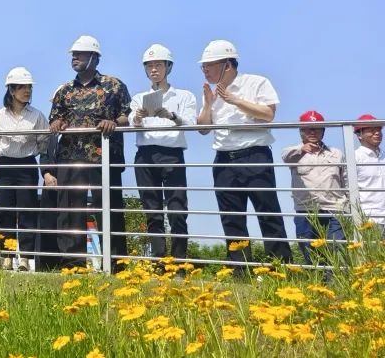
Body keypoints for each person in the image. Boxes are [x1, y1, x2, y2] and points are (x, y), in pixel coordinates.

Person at [197, 39, 293, 269]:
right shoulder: (210, 92)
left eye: (209, 65)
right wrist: (208, 104)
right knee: (231, 217)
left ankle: (281, 267)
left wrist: (235, 100)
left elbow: (268, 114)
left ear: (227, 65)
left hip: (254, 155)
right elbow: (203, 129)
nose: (205, 70)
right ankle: (239, 269)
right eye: (203, 66)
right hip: (223, 158)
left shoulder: (256, 82)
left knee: (268, 212)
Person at [47, 35, 130, 270]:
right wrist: (56, 124)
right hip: (70, 157)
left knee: (109, 210)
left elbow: (127, 116)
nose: (75, 57)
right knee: (70, 212)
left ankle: (115, 265)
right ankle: (73, 265)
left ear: (94, 57)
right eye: (73, 54)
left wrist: (113, 122)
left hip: (103, 157)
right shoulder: (64, 90)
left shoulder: (114, 85)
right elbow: (55, 118)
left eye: (80, 54)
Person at [129, 45, 197, 262]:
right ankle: (158, 260)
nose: (154, 70)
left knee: (178, 208)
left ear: (168, 67)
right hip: (145, 154)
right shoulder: (139, 97)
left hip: (172, 153)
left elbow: (191, 124)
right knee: (152, 210)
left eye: (158, 65)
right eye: (149, 66)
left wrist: (172, 116)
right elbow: (131, 123)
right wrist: (137, 118)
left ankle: (179, 261)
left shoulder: (184, 96)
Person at [0, 67, 51, 271]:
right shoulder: (0, 115)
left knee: (27, 211)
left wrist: (30, 151)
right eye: (22, 87)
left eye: (29, 87)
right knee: (5, 211)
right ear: (11, 90)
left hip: (26, 165)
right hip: (5, 165)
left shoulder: (37, 115)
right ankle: (7, 256)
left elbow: (44, 141)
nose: (27, 91)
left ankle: (24, 257)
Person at [280, 110, 347, 266]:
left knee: (337, 249)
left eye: (317, 128)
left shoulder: (336, 153)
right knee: (310, 253)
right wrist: (301, 150)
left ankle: (333, 280)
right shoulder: (293, 153)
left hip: (335, 209)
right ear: (301, 131)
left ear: (323, 131)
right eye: (308, 128)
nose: (312, 132)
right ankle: (318, 280)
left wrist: (349, 207)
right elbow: (285, 157)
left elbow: (346, 180)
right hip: (306, 210)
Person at [353, 114, 385, 229]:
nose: (377, 133)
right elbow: (348, 189)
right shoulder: (354, 158)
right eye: (371, 130)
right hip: (369, 219)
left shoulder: (383, 156)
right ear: (359, 135)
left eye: (379, 129)